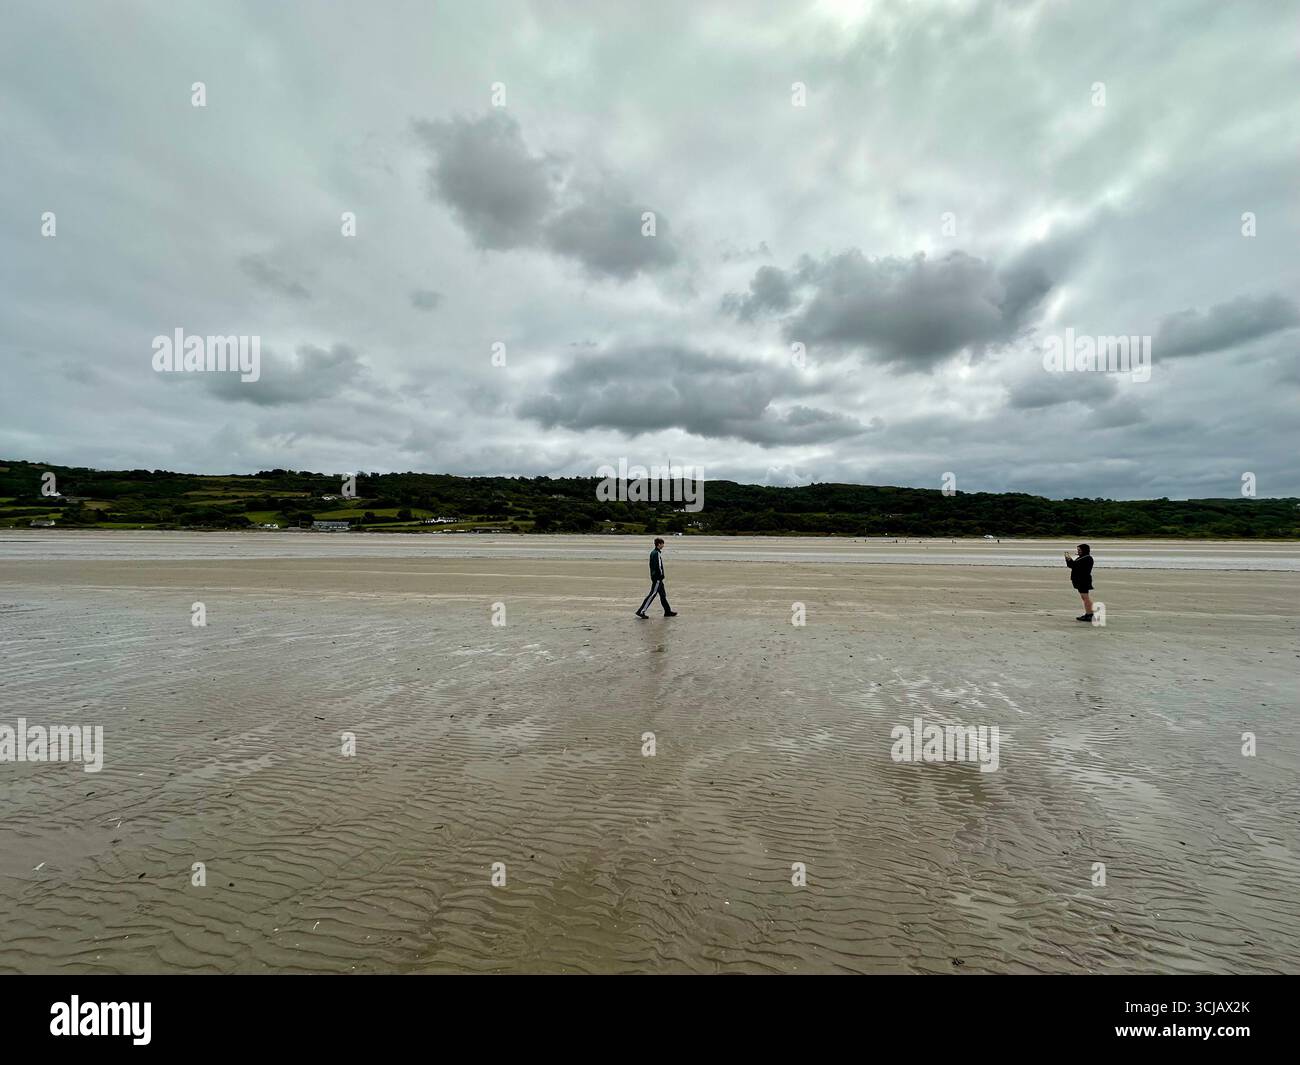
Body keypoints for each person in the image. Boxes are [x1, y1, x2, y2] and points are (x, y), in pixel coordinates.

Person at [636, 537, 678, 618]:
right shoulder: (656, 553)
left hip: (656, 577)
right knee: (652, 594)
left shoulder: (653, 552)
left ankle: (667, 611)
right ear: (659, 544)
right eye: (662, 544)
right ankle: (641, 611)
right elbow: (658, 566)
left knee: (663, 595)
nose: (663, 545)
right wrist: (661, 575)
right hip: (657, 578)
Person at [1064, 544, 1095, 621]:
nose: (1078, 551)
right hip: (1081, 579)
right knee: (1084, 597)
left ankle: (1089, 614)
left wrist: (1069, 559)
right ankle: (1089, 613)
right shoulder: (1083, 557)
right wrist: (1068, 559)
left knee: (1085, 597)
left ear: (1084, 550)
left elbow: (1074, 566)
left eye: (1079, 550)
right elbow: (1072, 565)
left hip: (1083, 580)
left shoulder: (1086, 558)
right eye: (1078, 550)